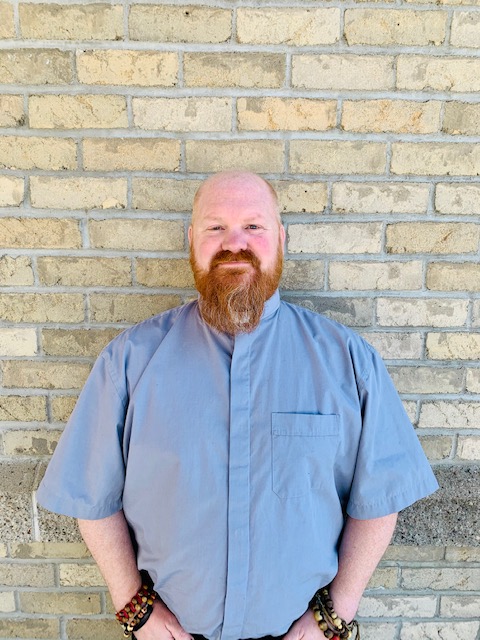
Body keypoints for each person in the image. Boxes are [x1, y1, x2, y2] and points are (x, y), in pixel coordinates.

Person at [37, 171, 438, 640]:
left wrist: (335, 617)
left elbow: (379, 501)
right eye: (216, 227)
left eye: (253, 226)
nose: (234, 243)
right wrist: (135, 609)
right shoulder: (129, 361)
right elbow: (92, 497)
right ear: (191, 240)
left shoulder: (348, 361)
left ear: (281, 239)